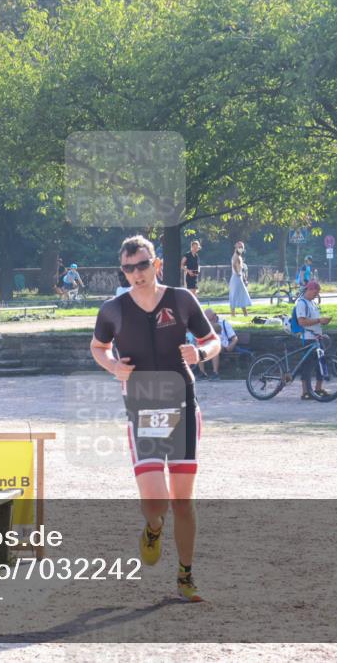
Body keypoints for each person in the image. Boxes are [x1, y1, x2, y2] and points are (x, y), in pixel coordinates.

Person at [90, 235, 220, 603]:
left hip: (182, 404)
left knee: (183, 501)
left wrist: (200, 352)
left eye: (142, 265)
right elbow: (97, 347)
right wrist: (113, 365)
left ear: (157, 264)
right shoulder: (113, 310)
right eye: (129, 268)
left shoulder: (181, 299)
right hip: (143, 408)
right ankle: (152, 527)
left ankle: (185, 574)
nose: (136, 274)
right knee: (155, 502)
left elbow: (213, 340)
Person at [293, 280, 332, 400]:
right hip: (308, 338)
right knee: (307, 365)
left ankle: (318, 388)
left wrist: (322, 322)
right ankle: (305, 391)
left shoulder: (313, 303)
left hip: (317, 338)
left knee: (322, 363)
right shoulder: (301, 303)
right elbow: (302, 321)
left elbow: (315, 319)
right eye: (315, 293)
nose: (316, 296)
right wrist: (320, 320)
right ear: (309, 290)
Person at [197, 308, 251, 381]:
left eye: (210, 319)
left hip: (223, 345)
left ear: (215, 315)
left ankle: (215, 373)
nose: (209, 321)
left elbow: (234, 338)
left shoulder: (224, 323)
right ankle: (202, 373)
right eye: (207, 319)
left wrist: (231, 345)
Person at [228, 241, 252, 317]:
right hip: (236, 278)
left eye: (242, 247)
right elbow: (234, 265)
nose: (241, 248)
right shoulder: (235, 256)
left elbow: (242, 269)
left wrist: (244, 278)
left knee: (241, 295)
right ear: (236, 248)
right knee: (235, 295)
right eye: (239, 247)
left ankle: (245, 314)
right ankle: (233, 314)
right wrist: (237, 273)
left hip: (239, 278)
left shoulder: (240, 257)